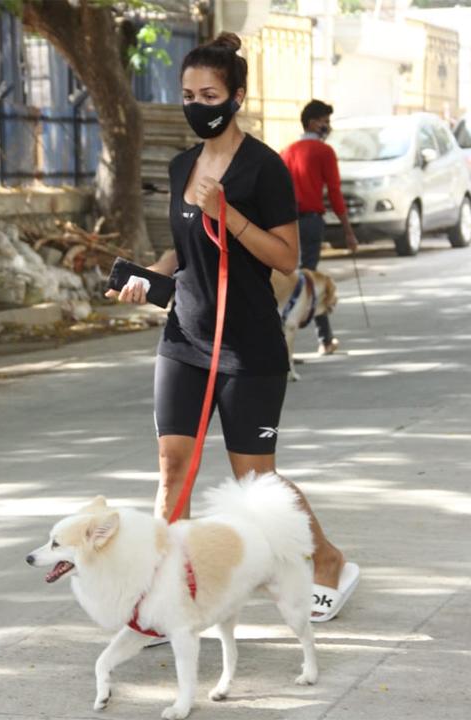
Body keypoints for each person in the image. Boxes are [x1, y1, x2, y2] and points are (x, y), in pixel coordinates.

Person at [106, 33, 358, 623]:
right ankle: (166, 598)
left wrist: (230, 215)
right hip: (184, 340)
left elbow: (287, 259)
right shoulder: (180, 166)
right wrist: (148, 276)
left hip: (247, 348)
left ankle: (326, 558)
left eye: (209, 94)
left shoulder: (266, 169)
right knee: (172, 468)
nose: (197, 104)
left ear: (237, 97)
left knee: (256, 484)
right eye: (188, 94)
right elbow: (182, 251)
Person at [281, 99, 358, 355]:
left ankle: (289, 340)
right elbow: (335, 193)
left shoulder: (286, 152)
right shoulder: (324, 153)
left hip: (285, 224)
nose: (328, 126)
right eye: (325, 121)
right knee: (308, 279)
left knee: (291, 278)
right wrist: (347, 230)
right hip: (311, 222)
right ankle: (324, 340)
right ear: (313, 122)